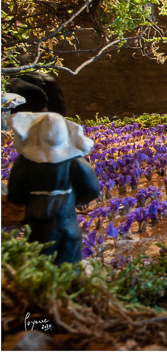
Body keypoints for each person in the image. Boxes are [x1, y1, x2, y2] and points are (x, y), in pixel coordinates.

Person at [6, 112, 100, 265]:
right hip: (66, 214)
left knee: (38, 249)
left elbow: (16, 193)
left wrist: (28, 200)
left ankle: (41, 281)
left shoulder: (25, 162)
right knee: (68, 252)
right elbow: (91, 188)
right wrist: (74, 200)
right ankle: (69, 280)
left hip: (36, 212)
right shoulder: (74, 161)